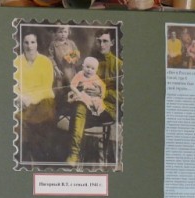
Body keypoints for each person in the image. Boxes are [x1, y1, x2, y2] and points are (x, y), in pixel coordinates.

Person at [66, 29, 122, 166]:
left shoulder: (119, 65)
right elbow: (78, 78)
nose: (101, 44)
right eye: (99, 41)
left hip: (106, 109)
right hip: (86, 103)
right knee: (77, 107)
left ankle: (75, 154)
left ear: (112, 42)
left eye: (105, 41)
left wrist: (102, 93)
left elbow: (123, 95)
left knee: (77, 113)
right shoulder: (90, 61)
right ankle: (75, 154)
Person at [14, 32, 56, 163]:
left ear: (37, 44)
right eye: (26, 42)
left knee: (42, 117)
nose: (29, 46)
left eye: (32, 42)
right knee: (17, 119)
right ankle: (24, 158)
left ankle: (38, 157)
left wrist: (30, 99)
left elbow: (46, 87)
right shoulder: (16, 61)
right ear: (22, 44)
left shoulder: (46, 62)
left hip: (43, 99)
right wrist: (19, 97)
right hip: (22, 100)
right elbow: (14, 85)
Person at [48, 25, 80, 89]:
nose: (63, 34)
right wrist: (56, 69)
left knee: (71, 87)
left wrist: (69, 57)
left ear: (69, 32)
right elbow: (50, 57)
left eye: (65, 32)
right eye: (60, 32)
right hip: (59, 70)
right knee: (59, 88)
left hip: (70, 71)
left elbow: (77, 54)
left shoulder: (71, 43)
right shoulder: (53, 44)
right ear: (56, 33)